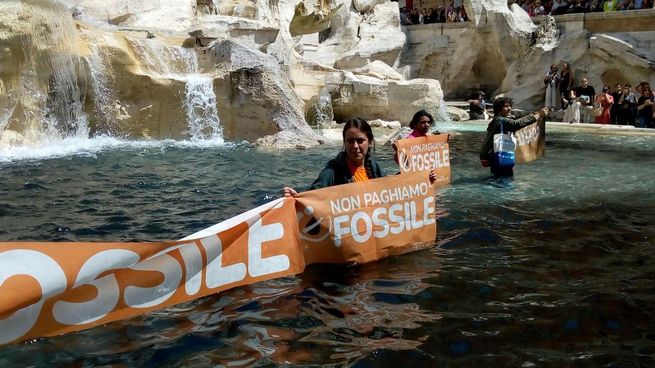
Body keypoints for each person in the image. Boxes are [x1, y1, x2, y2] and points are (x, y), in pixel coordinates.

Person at [283, 118, 385, 196]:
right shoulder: (334, 169)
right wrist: (298, 196)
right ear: (344, 143)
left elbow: (392, 189)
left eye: (360, 141)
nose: (355, 146)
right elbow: (315, 193)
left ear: (370, 142)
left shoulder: (373, 167)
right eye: (350, 141)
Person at [479, 97, 549, 178]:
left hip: (494, 155)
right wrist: (538, 115)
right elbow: (516, 124)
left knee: (497, 177)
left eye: (509, 106)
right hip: (497, 156)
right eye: (506, 106)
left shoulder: (496, 120)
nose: (509, 108)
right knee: (505, 179)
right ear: (499, 109)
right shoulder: (501, 120)